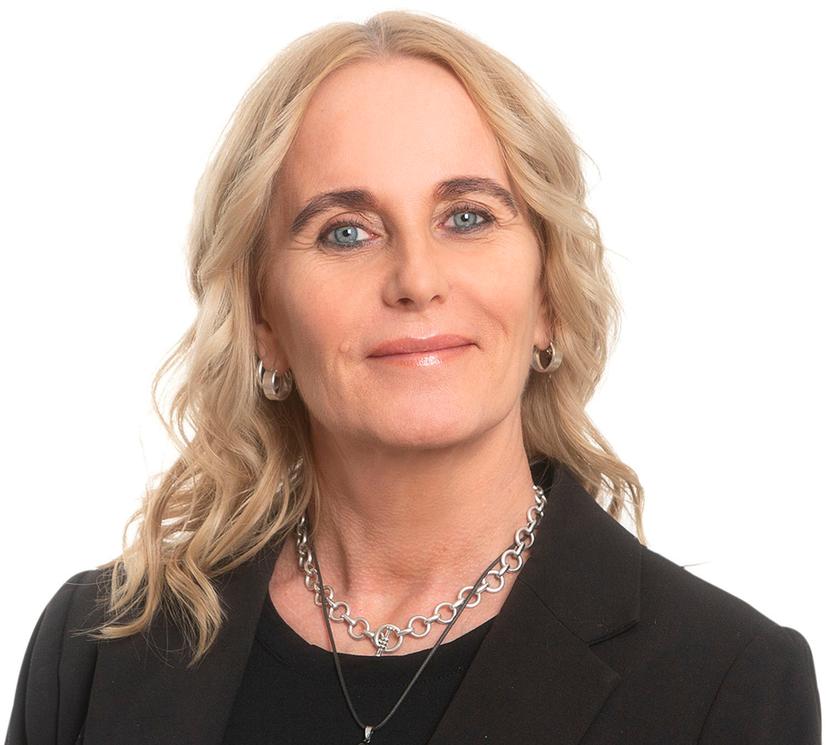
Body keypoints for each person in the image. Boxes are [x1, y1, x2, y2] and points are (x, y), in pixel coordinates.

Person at [5, 10, 821, 745]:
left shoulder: (729, 683)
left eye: (467, 217)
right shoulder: (97, 650)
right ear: (263, 320)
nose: (417, 279)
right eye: (346, 231)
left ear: (548, 295)